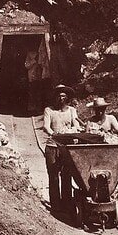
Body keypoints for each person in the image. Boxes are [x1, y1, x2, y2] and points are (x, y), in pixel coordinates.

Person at [42, 84, 82, 216]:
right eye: (58, 96)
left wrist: (74, 131)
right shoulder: (49, 110)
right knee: (53, 176)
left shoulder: (71, 111)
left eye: (63, 96)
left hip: (66, 148)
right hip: (53, 146)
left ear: (67, 98)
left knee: (66, 175)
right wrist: (55, 134)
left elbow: (76, 124)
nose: (61, 98)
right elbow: (46, 127)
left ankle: (67, 203)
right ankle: (56, 205)